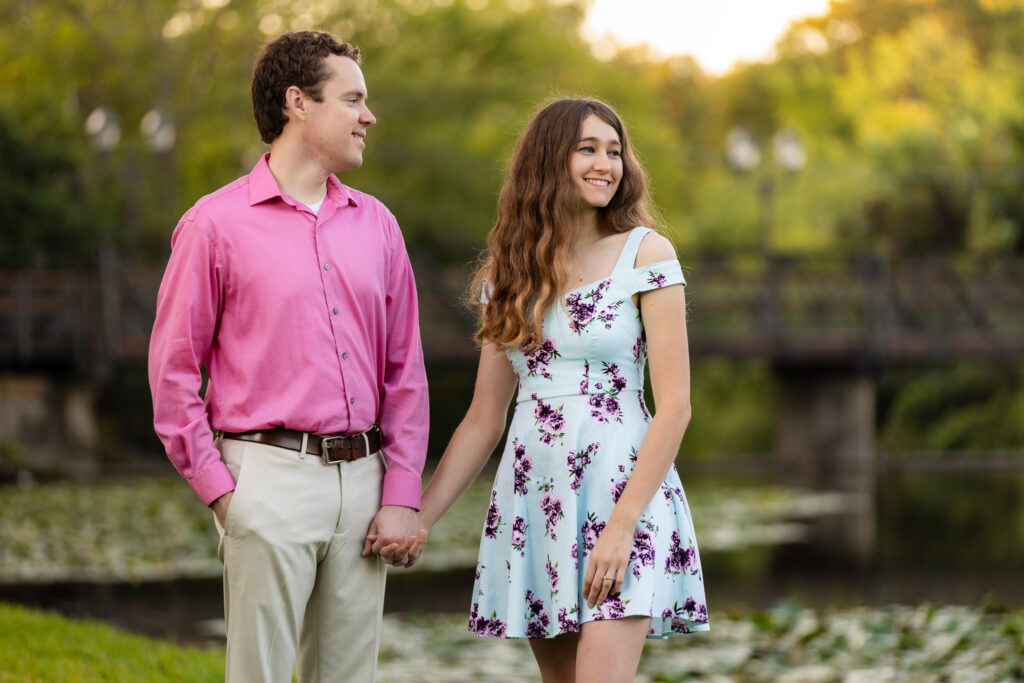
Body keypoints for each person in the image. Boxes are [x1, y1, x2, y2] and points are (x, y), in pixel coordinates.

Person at [148, 31, 428, 682]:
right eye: (354, 100)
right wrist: (225, 495)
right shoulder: (212, 226)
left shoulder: (378, 225)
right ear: (298, 103)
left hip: (364, 487)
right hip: (265, 480)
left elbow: (403, 374)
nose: (369, 116)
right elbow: (173, 377)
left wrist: (401, 492)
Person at [398, 98, 709, 682]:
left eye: (614, 151)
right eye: (587, 149)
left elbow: (676, 406)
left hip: (623, 497)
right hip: (537, 501)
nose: (605, 164)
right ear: (547, 162)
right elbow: (483, 419)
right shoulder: (510, 274)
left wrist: (623, 527)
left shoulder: (646, 254)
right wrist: (420, 518)